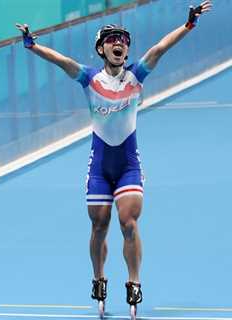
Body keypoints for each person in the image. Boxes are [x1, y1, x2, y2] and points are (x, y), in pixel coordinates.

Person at [16, 0, 212, 314]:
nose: (118, 44)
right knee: (99, 226)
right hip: (99, 168)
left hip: (128, 166)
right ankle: (99, 278)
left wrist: (188, 24)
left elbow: (160, 48)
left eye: (123, 41)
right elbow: (62, 61)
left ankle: (134, 282)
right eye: (111, 40)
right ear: (101, 50)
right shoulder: (89, 78)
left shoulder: (137, 74)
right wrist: (33, 45)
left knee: (129, 223)